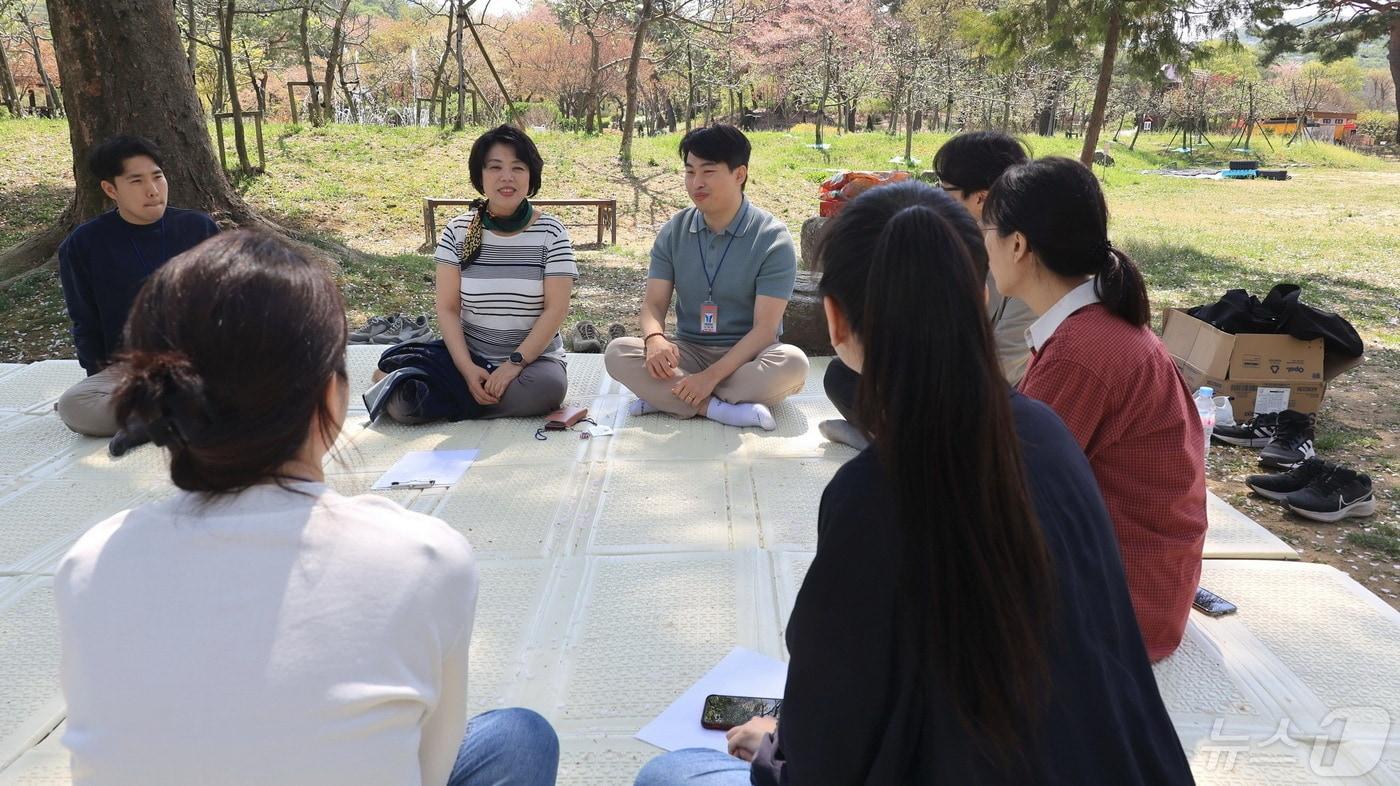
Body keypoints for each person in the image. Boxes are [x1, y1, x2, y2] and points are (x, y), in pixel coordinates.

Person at [633, 182, 1192, 785]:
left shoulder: (870, 496)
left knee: (669, 773)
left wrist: (775, 748)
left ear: (835, 320)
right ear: (981, 296)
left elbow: (827, 749)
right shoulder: (1046, 432)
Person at [54, 231, 560, 786]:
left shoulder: (90, 561)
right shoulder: (423, 557)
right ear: (333, 397)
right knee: (519, 737)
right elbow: (428, 770)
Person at [983, 156, 1207, 662]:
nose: (983, 247)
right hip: (1133, 587)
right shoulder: (1091, 329)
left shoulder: (1082, 353)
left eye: (986, 231)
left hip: (1119, 610)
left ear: (1017, 244)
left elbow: (1007, 490)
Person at [821, 131, 1036, 450]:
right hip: (937, 372)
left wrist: (924, 380)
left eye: (945, 188)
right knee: (842, 376)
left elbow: (1003, 364)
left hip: (981, 393)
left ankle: (889, 445)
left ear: (981, 198)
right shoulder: (950, 237)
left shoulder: (1020, 257)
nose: (935, 194)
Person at [604, 125, 808, 431]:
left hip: (748, 357)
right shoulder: (674, 230)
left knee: (793, 364)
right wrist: (655, 339)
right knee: (618, 352)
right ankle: (718, 408)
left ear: (739, 174)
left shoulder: (772, 238)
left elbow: (765, 331)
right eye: (689, 171)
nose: (696, 182)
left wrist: (709, 378)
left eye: (708, 171)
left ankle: (669, 397)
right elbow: (653, 304)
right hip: (689, 352)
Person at [370, 125, 576, 423]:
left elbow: (556, 309)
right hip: (469, 356)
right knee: (405, 407)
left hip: (533, 363)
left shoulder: (552, 233)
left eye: (518, 167)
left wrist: (514, 365)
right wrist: (467, 370)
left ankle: (427, 394)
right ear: (480, 176)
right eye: (495, 167)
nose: (507, 177)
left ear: (531, 177)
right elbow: (448, 308)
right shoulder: (458, 231)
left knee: (546, 390)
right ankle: (449, 391)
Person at [56, 135, 219, 437]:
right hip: (132, 370)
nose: (153, 190)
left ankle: (161, 413)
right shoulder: (84, 244)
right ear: (110, 189)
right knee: (74, 405)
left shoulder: (199, 228)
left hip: (201, 363)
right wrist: (100, 377)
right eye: (136, 181)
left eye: (158, 177)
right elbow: (85, 319)